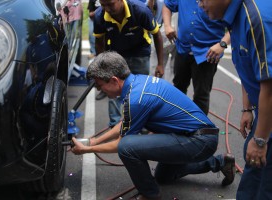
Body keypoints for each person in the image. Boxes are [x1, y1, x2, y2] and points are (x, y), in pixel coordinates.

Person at [71, 51, 236, 200]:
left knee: (127, 147)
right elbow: (125, 122)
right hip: (191, 136)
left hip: (199, 140)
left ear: (114, 80)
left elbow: (121, 143)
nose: (102, 91)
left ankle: (150, 195)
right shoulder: (138, 82)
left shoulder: (136, 99)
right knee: (163, 176)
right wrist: (94, 141)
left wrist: (87, 149)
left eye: (101, 86)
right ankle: (219, 163)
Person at [199, 0, 272, 199]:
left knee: (265, 185)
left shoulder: (257, 18)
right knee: (253, 172)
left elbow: (270, 84)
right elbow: (248, 65)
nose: (199, 5)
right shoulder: (237, 17)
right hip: (264, 112)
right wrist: (247, 109)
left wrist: (259, 140)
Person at [93, 0, 164, 127]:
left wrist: (160, 64)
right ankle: (115, 124)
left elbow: (157, 35)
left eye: (110, 4)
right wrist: (101, 66)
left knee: (140, 91)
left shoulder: (140, 11)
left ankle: (140, 124)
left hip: (140, 53)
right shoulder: (100, 16)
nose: (107, 9)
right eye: (103, 5)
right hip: (115, 54)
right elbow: (99, 42)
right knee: (112, 88)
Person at [162, 0, 230, 115]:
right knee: (178, 88)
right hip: (183, 49)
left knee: (201, 94)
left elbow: (236, 24)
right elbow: (167, 5)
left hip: (207, 54)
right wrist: (167, 26)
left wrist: (222, 44)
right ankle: (176, 122)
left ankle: (198, 128)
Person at [148, 0, 178, 81]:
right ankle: (155, 90)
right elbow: (148, 10)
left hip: (178, 34)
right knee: (155, 69)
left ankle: (170, 91)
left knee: (175, 69)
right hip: (159, 34)